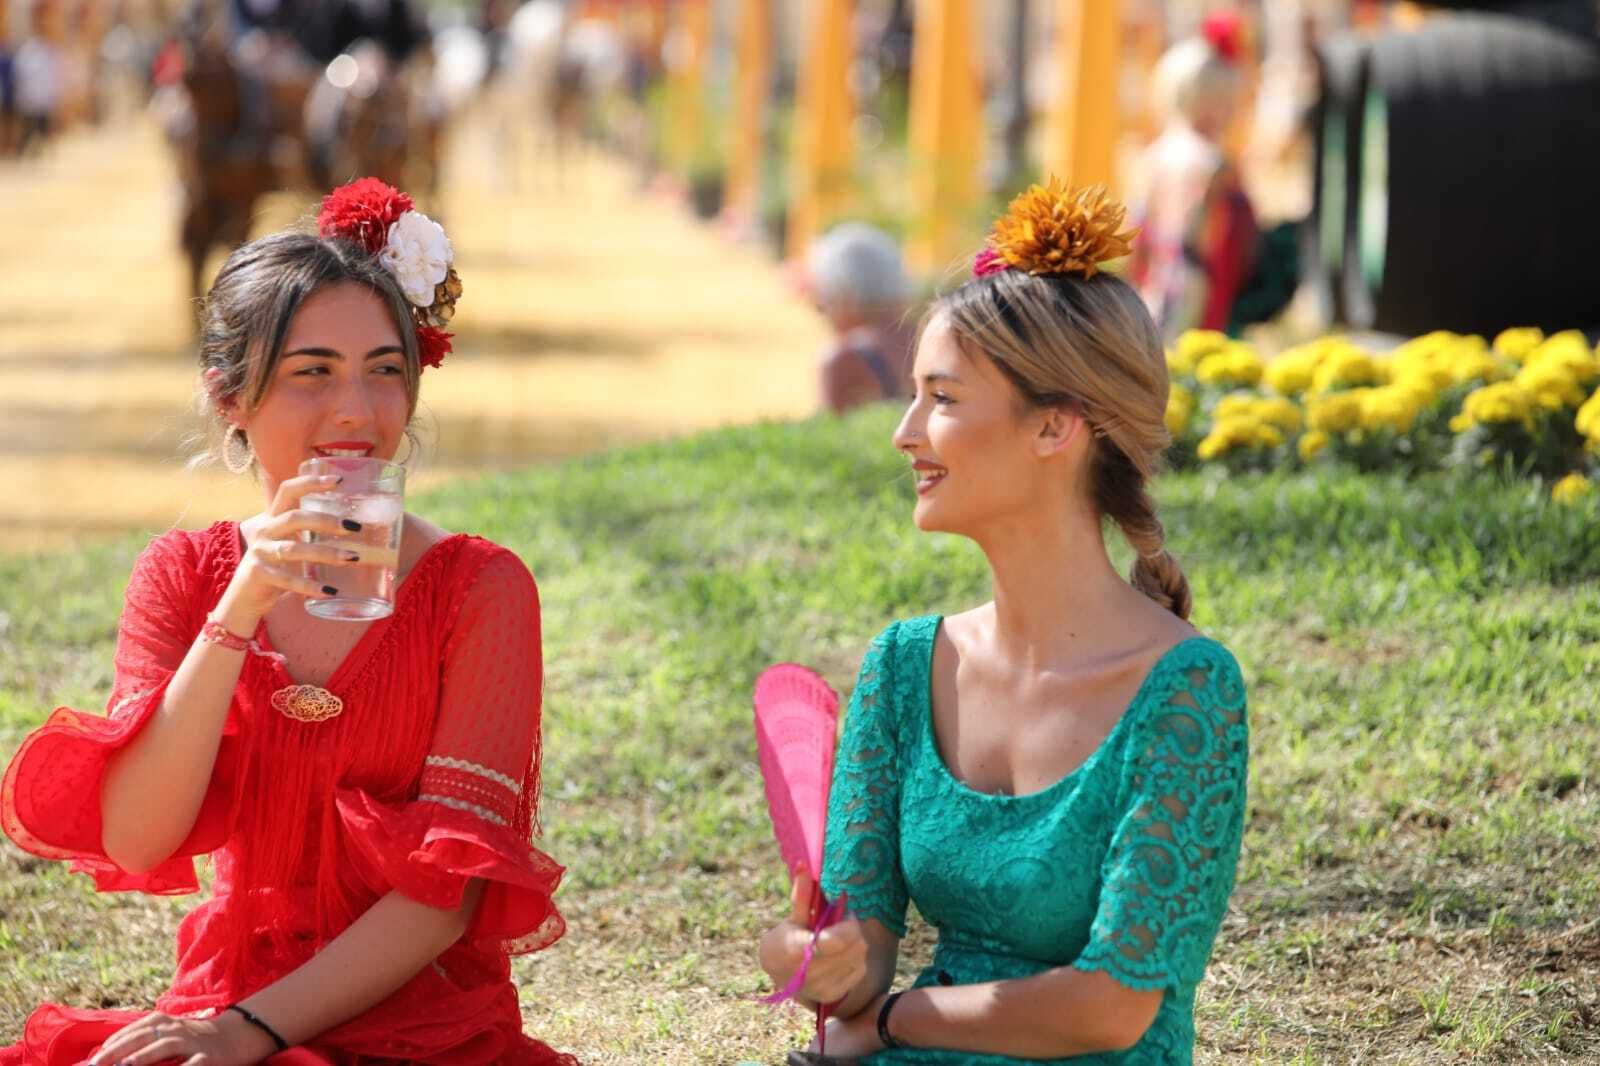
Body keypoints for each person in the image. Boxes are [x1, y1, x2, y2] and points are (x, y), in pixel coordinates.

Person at [0, 178, 576, 1066]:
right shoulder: (183, 577)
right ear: (230, 397)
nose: (357, 410)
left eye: (385, 371)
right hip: (221, 999)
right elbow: (139, 836)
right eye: (313, 372)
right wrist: (241, 608)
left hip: (421, 1027)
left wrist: (251, 1033)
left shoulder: (481, 590)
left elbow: (444, 897)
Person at [758, 180, 1249, 1064]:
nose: (906, 432)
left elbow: (1111, 1006)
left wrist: (894, 1020)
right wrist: (814, 959)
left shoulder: (1187, 690)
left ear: (1055, 429)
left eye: (942, 399)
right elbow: (861, 940)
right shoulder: (905, 667)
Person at [1127, 11, 1261, 341]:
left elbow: (1136, 231)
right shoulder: (1212, 164)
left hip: (1154, 285)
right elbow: (1209, 236)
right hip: (1199, 288)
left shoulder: (1154, 155)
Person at [804, 222, 917, 415]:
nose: (820, 310)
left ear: (844, 294)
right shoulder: (932, 340)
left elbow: (828, 437)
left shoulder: (843, 359)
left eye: (823, 300)